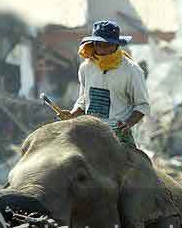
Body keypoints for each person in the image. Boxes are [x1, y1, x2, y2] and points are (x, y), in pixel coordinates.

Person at [59, 20, 150, 148]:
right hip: (89, 130)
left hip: (117, 133)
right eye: (98, 45)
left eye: (107, 45)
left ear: (116, 45)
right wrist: (72, 114)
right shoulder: (86, 67)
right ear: (93, 44)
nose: (101, 49)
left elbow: (142, 105)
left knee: (131, 166)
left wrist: (128, 124)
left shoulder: (132, 71)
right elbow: (83, 100)